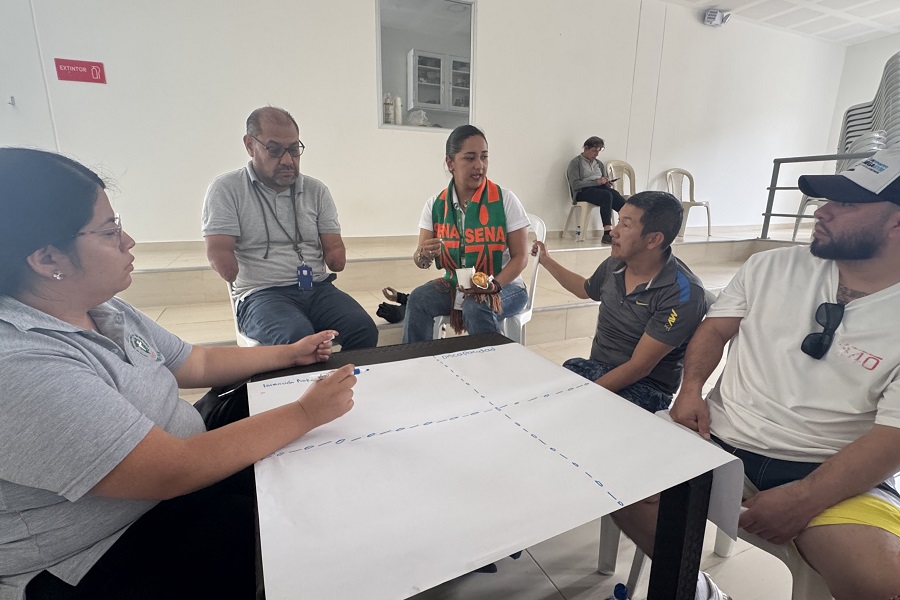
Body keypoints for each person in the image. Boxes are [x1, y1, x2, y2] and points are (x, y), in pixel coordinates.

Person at [0, 147, 357, 600]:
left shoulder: (101, 308)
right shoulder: (21, 365)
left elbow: (196, 362)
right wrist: (305, 412)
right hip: (105, 550)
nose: (128, 242)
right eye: (110, 232)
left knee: (316, 468)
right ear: (48, 259)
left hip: (180, 472)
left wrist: (290, 354)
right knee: (307, 541)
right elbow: (173, 470)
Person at [613, 148, 900, 600]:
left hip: (830, 465)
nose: (821, 211)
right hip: (720, 437)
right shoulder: (771, 266)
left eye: (845, 204)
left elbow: (892, 439)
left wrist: (806, 498)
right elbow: (713, 330)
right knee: (613, 478)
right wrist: (690, 390)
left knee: (880, 581)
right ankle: (697, 590)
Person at [202, 106, 378, 349]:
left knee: (362, 328)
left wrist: (336, 252)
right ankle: (310, 388)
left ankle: (348, 384)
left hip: (317, 288)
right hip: (261, 294)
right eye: (274, 150)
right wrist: (225, 265)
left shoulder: (317, 191)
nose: (287, 160)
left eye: (294, 150)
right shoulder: (227, 189)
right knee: (297, 339)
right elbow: (218, 250)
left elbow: (335, 253)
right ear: (250, 145)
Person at [531, 191, 708, 413]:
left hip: (645, 389)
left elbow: (639, 367)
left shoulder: (682, 293)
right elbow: (585, 289)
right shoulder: (614, 265)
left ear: (653, 239)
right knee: (535, 397)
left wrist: (582, 396)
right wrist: (546, 260)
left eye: (625, 225)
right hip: (596, 370)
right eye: (617, 221)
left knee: (566, 413)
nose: (613, 232)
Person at [401, 125, 530, 343]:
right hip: (457, 285)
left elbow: (521, 257)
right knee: (418, 298)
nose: (479, 166)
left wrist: (494, 286)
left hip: (506, 286)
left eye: (484, 157)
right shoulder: (436, 205)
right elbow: (421, 262)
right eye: (469, 158)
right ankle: (418, 364)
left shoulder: (505, 200)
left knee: (476, 305)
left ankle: (491, 368)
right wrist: (423, 254)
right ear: (450, 163)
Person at [566, 136, 627, 244]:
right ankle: (607, 232)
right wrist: (596, 182)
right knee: (606, 196)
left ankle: (627, 226)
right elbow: (575, 185)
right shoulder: (575, 163)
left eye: (598, 151)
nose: (596, 154)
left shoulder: (599, 163)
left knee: (616, 196)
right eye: (594, 151)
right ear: (585, 148)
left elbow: (603, 178)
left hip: (600, 189)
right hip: (583, 191)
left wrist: (606, 183)